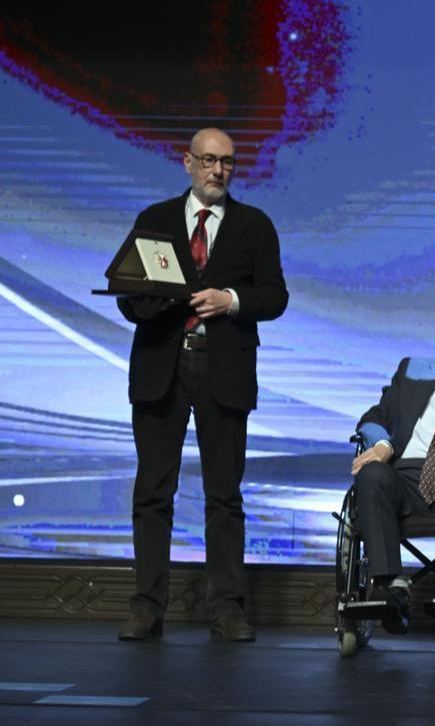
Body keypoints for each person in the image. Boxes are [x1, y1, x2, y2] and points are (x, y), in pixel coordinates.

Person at [116, 127, 288, 643]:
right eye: (209, 161)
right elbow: (127, 298)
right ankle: (147, 606)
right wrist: (160, 301)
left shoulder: (254, 225)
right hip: (161, 369)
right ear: (187, 163)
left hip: (224, 370)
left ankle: (227, 608)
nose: (219, 171)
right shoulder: (155, 220)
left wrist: (231, 300)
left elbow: (275, 297)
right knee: (152, 492)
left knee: (224, 496)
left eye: (228, 163)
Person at [349, 325, 435, 634]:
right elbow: (374, 417)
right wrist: (382, 445)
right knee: (372, 474)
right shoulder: (410, 383)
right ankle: (389, 583)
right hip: (403, 477)